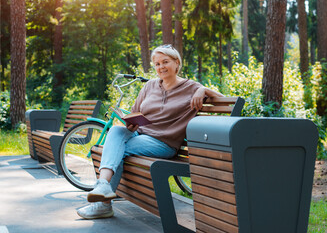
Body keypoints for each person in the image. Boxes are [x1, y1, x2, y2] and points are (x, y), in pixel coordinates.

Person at [77, 44, 224, 219]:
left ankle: (103, 203)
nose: (161, 67)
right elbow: (135, 111)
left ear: (177, 63)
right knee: (116, 132)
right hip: (140, 134)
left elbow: (225, 101)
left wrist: (203, 89)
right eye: (157, 64)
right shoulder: (150, 86)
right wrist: (130, 122)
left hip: (164, 143)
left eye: (166, 62)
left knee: (116, 149)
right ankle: (103, 186)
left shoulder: (191, 87)